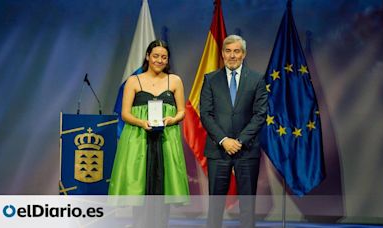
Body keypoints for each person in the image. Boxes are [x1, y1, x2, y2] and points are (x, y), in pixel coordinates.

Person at [108, 39, 189, 227]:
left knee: (164, 187)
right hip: (138, 139)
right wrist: (141, 122)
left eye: (164, 57)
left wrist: (173, 119)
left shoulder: (174, 80)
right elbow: (125, 114)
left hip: (166, 139)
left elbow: (182, 111)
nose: (160, 60)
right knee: (139, 188)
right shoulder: (133, 81)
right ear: (147, 56)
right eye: (156, 56)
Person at [200, 35, 267, 228]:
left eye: (236, 51)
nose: (232, 55)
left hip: (246, 150)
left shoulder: (257, 79)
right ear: (222, 54)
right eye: (228, 51)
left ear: (243, 54)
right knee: (215, 205)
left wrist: (239, 141)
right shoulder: (210, 79)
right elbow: (205, 114)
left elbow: (260, 114)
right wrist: (223, 140)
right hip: (218, 149)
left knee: (247, 205)